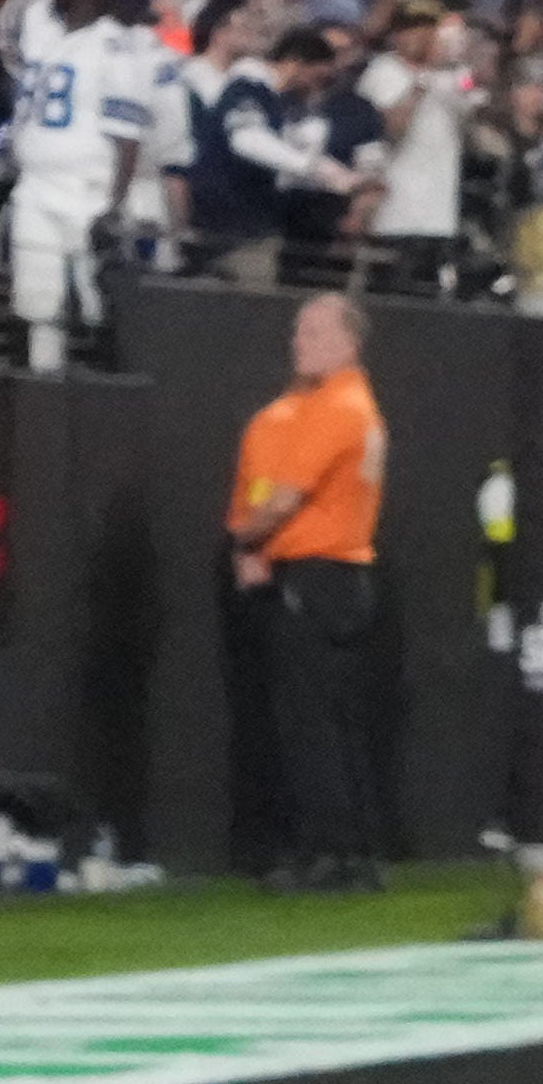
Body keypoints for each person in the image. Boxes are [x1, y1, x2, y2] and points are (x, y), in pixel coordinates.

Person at [230, 290, 392, 891]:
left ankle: (329, 854)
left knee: (308, 725)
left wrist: (245, 542)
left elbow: (285, 498)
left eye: (315, 333)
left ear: (348, 343)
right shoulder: (361, 405)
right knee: (338, 721)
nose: (300, 342)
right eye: (299, 332)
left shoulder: (334, 405)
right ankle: (355, 851)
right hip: (346, 577)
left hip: (316, 576)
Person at [9, 0, 162, 369]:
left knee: (98, 307)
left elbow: (128, 137)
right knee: (39, 305)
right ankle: (43, 390)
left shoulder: (117, 43)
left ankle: (104, 395)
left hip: (85, 189)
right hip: (35, 185)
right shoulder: (53, 34)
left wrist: (114, 205)